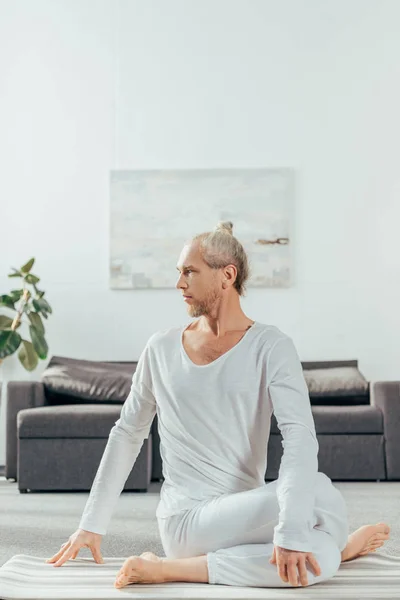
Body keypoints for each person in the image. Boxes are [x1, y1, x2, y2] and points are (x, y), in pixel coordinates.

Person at [45, 221, 390, 589]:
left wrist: (289, 533)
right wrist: (91, 525)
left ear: (227, 275)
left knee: (317, 555)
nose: (179, 283)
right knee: (320, 496)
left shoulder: (271, 346)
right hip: (186, 523)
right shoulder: (160, 348)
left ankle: (172, 569)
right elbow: (127, 433)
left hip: (250, 517)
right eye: (179, 272)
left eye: (189, 272)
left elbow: (300, 438)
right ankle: (336, 545)